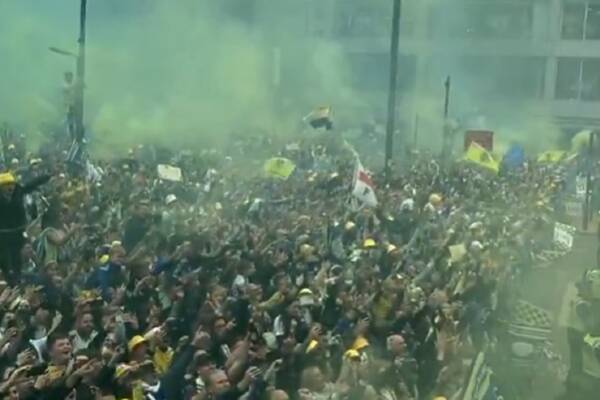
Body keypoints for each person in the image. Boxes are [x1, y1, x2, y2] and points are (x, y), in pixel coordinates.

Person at [0, 172, 50, 285]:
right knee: (5, 260)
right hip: (2, 236)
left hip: (18, 233)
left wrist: (47, 176)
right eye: (7, 185)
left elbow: (32, 184)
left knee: (17, 260)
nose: (10, 187)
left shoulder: (18, 191)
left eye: (12, 184)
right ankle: (8, 278)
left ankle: (17, 280)